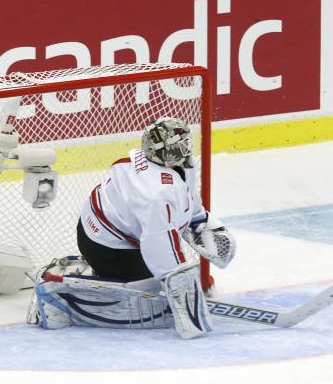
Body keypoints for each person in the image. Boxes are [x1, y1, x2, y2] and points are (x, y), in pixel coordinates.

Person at [30, 118, 237, 339]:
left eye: (185, 144)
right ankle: (57, 298)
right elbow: (158, 242)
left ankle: (89, 272)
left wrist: (198, 220)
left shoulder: (157, 163)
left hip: (104, 230)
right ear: (160, 152)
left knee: (164, 285)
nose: (184, 151)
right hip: (108, 247)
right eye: (176, 147)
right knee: (156, 301)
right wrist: (177, 283)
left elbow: (183, 198)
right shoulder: (157, 193)